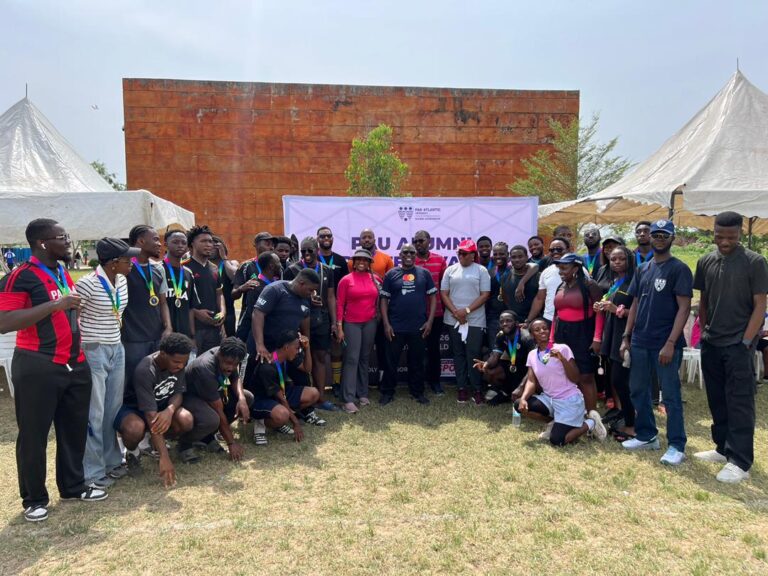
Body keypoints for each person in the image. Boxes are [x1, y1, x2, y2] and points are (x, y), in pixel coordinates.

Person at [0, 219, 107, 523]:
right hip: (38, 365)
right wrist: (55, 306)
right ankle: (34, 499)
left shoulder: (61, 271)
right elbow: (4, 322)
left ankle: (73, 487)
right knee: (34, 435)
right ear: (43, 243)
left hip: (75, 363)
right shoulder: (20, 276)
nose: (68, 241)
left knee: (73, 430)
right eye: (63, 237)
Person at [693, 211, 768, 483]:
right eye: (719, 236)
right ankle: (722, 448)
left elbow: (760, 304)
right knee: (717, 398)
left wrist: (746, 341)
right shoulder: (705, 261)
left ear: (740, 234)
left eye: (731, 237)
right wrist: (704, 331)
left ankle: (740, 461)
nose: (724, 242)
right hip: (712, 342)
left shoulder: (755, 262)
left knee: (739, 402)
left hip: (738, 344)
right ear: (713, 232)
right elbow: (703, 301)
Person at [620, 219, 692, 466]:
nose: (660, 239)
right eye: (656, 235)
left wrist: (671, 342)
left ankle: (676, 445)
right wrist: (626, 336)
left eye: (664, 235)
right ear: (649, 237)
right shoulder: (643, 269)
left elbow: (684, 308)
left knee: (670, 396)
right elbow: (635, 304)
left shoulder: (679, 269)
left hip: (665, 344)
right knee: (637, 390)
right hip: (640, 341)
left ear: (672, 238)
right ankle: (647, 435)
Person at [76, 238, 136, 490]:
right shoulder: (86, 284)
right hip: (93, 349)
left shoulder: (122, 281)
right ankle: (92, 470)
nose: (132, 263)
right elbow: (73, 316)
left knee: (113, 408)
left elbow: (117, 313)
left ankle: (112, 461)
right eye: (127, 259)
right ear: (113, 263)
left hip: (116, 347)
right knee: (95, 411)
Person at [114, 333, 215, 483]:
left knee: (186, 419)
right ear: (163, 354)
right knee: (134, 428)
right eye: (176, 362)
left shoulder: (179, 363)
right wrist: (165, 458)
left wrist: (170, 410)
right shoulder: (146, 369)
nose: (180, 366)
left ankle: (156, 442)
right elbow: (151, 417)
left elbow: (178, 393)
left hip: (160, 406)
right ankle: (133, 453)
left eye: (184, 363)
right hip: (136, 410)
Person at [250, 268, 326, 427]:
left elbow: (305, 320)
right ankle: (265, 415)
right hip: (266, 348)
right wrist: (260, 344)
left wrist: (306, 343)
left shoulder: (304, 298)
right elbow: (258, 313)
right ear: (301, 283)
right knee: (260, 383)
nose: (312, 294)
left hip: (288, 347)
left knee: (302, 376)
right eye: (310, 290)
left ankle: (303, 411)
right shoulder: (275, 290)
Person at [514, 318, 606, 446]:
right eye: (537, 330)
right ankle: (554, 423)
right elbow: (531, 381)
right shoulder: (532, 355)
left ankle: (591, 422)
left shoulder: (562, 348)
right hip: (549, 399)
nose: (542, 331)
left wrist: (562, 359)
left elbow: (575, 378)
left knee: (557, 440)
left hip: (569, 400)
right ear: (532, 335)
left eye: (545, 328)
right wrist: (524, 398)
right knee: (519, 404)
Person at [284, 237, 338, 412]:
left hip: (321, 320)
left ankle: (320, 398)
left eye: (310, 250)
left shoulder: (327, 270)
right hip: (298, 320)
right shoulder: (292, 270)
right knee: (299, 358)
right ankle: (305, 397)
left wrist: (334, 322)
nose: (306, 254)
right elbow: (288, 296)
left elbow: (331, 297)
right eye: (303, 251)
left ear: (317, 250)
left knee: (320, 357)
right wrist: (307, 299)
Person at [380, 243, 437, 405]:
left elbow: (433, 298)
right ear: (400, 255)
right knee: (391, 362)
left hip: (419, 327)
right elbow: (383, 300)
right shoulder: (391, 274)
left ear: (415, 255)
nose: (409, 255)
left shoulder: (424, 274)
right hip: (395, 327)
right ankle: (387, 392)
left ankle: (417, 392)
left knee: (417, 362)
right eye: (405, 252)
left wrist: (430, 321)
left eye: (412, 252)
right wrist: (386, 324)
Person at [184, 337, 253, 461]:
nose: (231, 368)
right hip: (189, 398)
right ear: (220, 355)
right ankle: (184, 444)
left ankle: (206, 437)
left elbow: (234, 378)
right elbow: (218, 409)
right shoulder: (205, 367)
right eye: (228, 363)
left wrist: (242, 399)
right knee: (212, 419)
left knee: (247, 397)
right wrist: (231, 443)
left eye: (235, 364)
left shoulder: (231, 354)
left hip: (211, 393)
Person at [593, 245, 636, 440]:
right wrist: (602, 306)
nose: (617, 262)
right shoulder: (616, 281)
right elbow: (611, 304)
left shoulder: (634, 282)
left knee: (621, 381)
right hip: (612, 334)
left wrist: (615, 309)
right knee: (616, 380)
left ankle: (632, 423)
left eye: (621, 259)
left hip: (626, 336)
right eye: (613, 259)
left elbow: (638, 313)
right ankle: (625, 416)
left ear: (630, 260)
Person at [440, 239, 491, 404]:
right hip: (454, 318)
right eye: (459, 253)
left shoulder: (481, 270)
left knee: (473, 354)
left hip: (475, 320)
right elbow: (444, 293)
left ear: (473, 255)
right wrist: (456, 312)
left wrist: (466, 311)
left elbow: (485, 294)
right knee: (458, 354)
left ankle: (477, 388)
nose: (461, 256)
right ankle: (461, 388)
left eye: (464, 253)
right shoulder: (450, 270)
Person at [552, 253, 603, 412]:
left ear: (575, 268)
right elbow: (555, 315)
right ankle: (573, 413)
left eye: (564, 268)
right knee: (566, 373)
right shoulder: (560, 287)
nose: (560, 271)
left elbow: (600, 312)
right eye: (559, 268)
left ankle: (592, 417)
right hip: (562, 333)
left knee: (585, 376)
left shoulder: (589, 285)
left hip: (583, 332)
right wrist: (551, 339)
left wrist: (597, 338)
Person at [123, 225, 172, 388]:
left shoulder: (158, 268)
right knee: (132, 382)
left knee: (155, 379)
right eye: (156, 239)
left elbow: (163, 302)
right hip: (132, 339)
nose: (160, 244)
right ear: (141, 241)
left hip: (157, 337)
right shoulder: (124, 268)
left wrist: (168, 327)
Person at [249, 330, 319, 442]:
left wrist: (307, 348)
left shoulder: (287, 356)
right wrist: (295, 423)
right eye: (297, 348)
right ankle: (261, 421)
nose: (297, 351)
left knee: (314, 393)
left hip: (281, 394)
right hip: (261, 400)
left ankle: (279, 419)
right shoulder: (268, 366)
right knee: (283, 415)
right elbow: (281, 399)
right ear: (286, 347)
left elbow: (307, 369)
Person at [336, 249, 380, 413]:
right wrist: (339, 326)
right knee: (352, 359)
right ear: (353, 262)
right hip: (351, 324)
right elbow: (340, 304)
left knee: (364, 358)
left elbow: (380, 299)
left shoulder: (375, 279)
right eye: (358, 259)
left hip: (370, 323)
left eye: (365, 260)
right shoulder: (346, 280)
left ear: (369, 263)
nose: (362, 262)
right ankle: (348, 398)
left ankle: (362, 393)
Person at [473, 310, 534, 405]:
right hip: (513, 367)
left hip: (529, 371)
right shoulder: (501, 336)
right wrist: (486, 364)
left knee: (521, 400)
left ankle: (524, 391)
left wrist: (521, 387)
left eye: (508, 321)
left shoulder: (526, 337)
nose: (504, 324)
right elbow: (495, 356)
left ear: (517, 323)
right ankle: (505, 392)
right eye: (502, 322)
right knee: (489, 372)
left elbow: (535, 366)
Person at [413, 230, 448, 395]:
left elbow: (444, 287)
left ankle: (435, 382)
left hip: (437, 313)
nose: (418, 244)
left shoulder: (440, 260)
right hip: (416, 314)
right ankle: (417, 383)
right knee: (417, 351)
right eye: (416, 241)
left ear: (429, 241)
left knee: (434, 349)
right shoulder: (410, 261)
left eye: (421, 241)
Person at [317, 226, 350, 397]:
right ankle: (317, 385)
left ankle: (336, 383)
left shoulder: (340, 260)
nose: (326, 238)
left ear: (332, 238)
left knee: (337, 346)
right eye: (322, 236)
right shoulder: (313, 258)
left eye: (328, 236)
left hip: (338, 309)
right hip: (317, 310)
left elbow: (347, 285)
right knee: (318, 350)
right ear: (317, 239)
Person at [186, 225, 225, 354]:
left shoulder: (214, 268)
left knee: (211, 362)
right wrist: (196, 312)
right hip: (193, 329)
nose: (209, 244)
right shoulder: (184, 268)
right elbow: (181, 300)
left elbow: (219, 293)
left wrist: (223, 312)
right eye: (203, 241)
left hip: (214, 327)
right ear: (192, 244)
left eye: (210, 241)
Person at [232, 231, 276, 339]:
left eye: (272, 244)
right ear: (255, 245)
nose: (271, 247)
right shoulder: (245, 266)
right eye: (267, 243)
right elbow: (233, 294)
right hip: (249, 318)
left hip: (272, 318)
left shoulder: (277, 267)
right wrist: (242, 288)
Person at [524, 237, 571, 325]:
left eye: (559, 249)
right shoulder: (546, 272)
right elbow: (539, 299)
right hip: (549, 319)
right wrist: (528, 321)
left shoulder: (579, 270)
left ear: (568, 250)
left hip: (571, 320)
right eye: (552, 250)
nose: (555, 252)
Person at [163, 230, 195, 340]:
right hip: (162, 333)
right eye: (175, 242)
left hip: (183, 334)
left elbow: (191, 308)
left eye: (184, 243)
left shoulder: (188, 273)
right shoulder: (157, 270)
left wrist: (192, 335)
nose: (180, 245)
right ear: (166, 244)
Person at [501, 245, 539, 322]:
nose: (517, 260)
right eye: (514, 257)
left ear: (527, 257)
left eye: (520, 257)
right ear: (510, 259)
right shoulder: (505, 277)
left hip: (535, 321)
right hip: (514, 322)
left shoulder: (538, 276)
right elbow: (505, 298)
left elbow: (540, 299)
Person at [211, 236, 239, 337]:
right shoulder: (205, 266)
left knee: (229, 341)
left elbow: (235, 277)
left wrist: (224, 257)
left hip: (228, 311)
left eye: (215, 246)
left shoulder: (231, 263)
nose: (211, 249)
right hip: (210, 311)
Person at [485, 241, 510, 347]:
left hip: (510, 315)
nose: (498, 256)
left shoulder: (513, 271)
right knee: (495, 347)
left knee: (511, 348)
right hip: (493, 317)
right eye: (495, 254)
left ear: (507, 254)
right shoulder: (489, 272)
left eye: (501, 254)